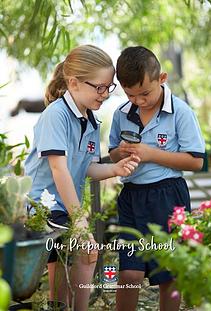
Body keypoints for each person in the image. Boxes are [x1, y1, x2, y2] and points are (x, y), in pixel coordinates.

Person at [24, 44, 139, 311]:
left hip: (64, 208)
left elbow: (86, 166)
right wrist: (80, 221)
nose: (105, 94)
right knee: (85, 254)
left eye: (109, 87)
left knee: (72, 269)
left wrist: (115, 169)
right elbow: (59, 170)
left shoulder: (91, 120)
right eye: (99, 87)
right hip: (43, 208)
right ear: (74, 83)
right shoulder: (56, 116)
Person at [109, 46, 205, 311]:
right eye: (130, 95)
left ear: (162, 79)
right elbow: (113, 153)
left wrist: (152, 154)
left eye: (145, 93)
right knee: (129, 273)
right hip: (131, 198)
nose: (138, 101)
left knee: (168, 274)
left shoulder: (181, 112)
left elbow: (196, 161)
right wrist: (121, 153)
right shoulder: (121, 114)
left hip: (168, 195)